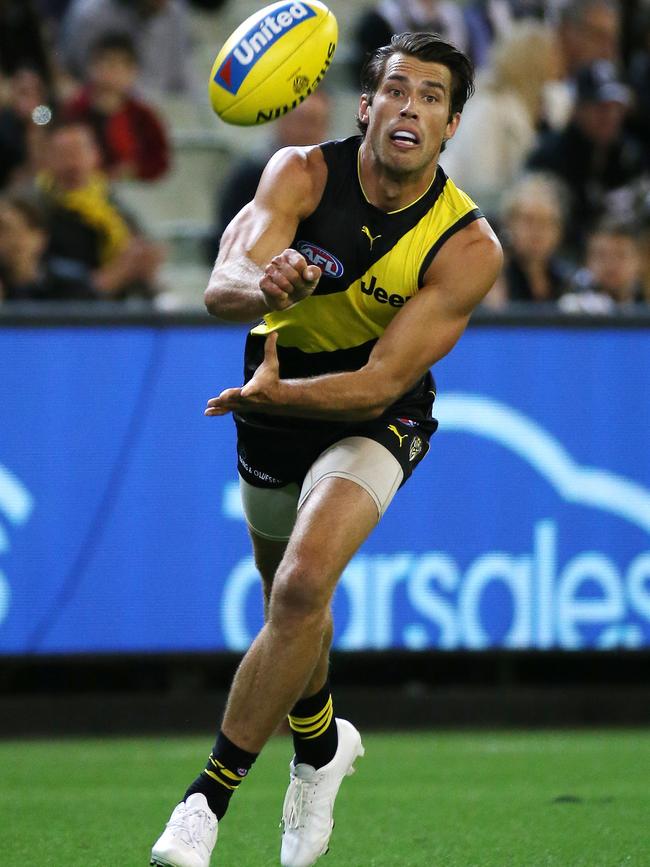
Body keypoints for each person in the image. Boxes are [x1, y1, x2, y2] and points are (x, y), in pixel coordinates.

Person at [150, 31, 502, 867]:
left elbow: (381, 382)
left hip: (371, 418)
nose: (410, 106)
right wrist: (265, 283)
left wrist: (280, 393)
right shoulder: (302, 173)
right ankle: (319, 746)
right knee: (290, 610)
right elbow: (221, 283)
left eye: (431, 97)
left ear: (451, 126)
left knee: (305, 581)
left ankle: (205, 801)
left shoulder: (467, 246)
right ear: (366, 105)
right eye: (398, 90)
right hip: (269, 408)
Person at [440, 20, 562, 214]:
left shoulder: (554, 102)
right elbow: (481, 184)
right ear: (533, 61)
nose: (559, 59)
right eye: (552, 53)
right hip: (476, 211)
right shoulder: (487, 109)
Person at [526, 59, 645, 255]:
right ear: (579, 109)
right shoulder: (550, 158)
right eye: (600, 107)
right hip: (563, 257)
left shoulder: (629, 154)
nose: (610, 116)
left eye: (616, 107)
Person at [34, 119, 163, 299]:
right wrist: (115, 275)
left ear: (95, 155)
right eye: (64, 153)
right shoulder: (36, 206)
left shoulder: (111, 202)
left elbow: (141, 242)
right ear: (48, 159)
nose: (73, 161)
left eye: (79, 152)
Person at [207, 88, 331, 262]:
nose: (308, 131)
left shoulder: (337, 179)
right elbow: (227, 244)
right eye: (302, 121)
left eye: (316, 123)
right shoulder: (251, 175)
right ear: (281, 121)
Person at [63, 32, 170, 181]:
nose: (111, 73)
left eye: (118, 65)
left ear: (133, 72)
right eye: (104, 63)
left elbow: (160, 160)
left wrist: (134, 170)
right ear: (90, 66)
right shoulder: (72, 109)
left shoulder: (143, 115)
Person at [60, 0, 195, 97]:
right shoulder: (90, 15)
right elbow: (74, 78)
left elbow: (183, 80)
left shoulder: (175, 9)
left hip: (160, 114)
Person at [488, 173, 573, 307]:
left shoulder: (569, 280)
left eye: (546, 222)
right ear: (509, 222)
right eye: (529, 220)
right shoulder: (494, 276)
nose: (537, 230)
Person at [0, 193, 96, 301]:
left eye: (20, 232)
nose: (13, 240)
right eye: (4, 231)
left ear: (40, 237)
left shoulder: (71, 285)